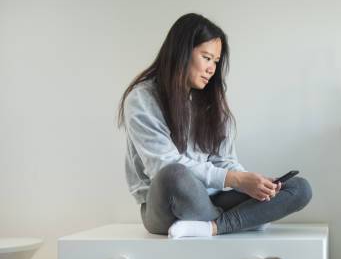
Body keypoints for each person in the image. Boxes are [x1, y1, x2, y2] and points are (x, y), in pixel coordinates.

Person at [118, 13, 311, 238]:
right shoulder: (143, 98)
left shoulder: (210, 101)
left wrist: (254, 183)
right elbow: (162, 164)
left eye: (216, 62)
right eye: (207, 58)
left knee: (299, 188)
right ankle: (244, 220)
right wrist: (237, 182)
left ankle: (212, 227)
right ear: (181, 52)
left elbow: (224, 160)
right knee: (174, 174)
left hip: (213, 199)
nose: (212, 69)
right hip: (166, 205)